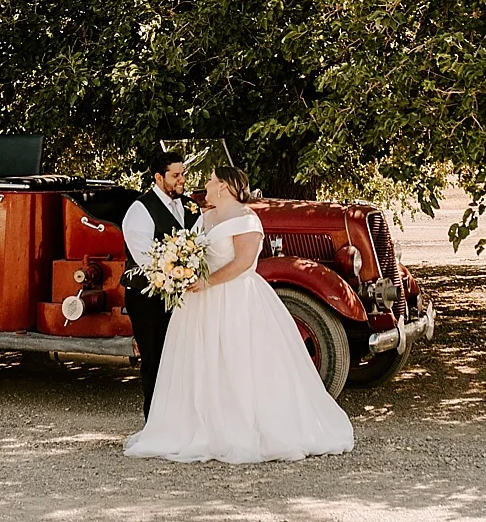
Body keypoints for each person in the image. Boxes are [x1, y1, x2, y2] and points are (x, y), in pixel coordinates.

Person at [124, 164, 355, 463]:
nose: (204, 184)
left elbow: (244, 263)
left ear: (223, 186)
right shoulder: (205, 216)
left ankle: (243, 426)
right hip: (200, 304)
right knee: (201, 363)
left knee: (238, 360)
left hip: (235, 298)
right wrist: (180, 271)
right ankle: (198, 425)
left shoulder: (246, 219)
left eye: (210, 180)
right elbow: (192, 251)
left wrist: (208, 281)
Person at [120, 148, 192, 417]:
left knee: (178, 358)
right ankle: (153, 420)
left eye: (183, 174)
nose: (182, 180)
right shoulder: (140, 210)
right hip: (147, 296)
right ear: (159, 178)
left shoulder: (187, 205)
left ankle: (177, 418)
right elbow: (146, 258)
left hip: (180, 295)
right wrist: (180, 273)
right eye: (176, 175)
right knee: (154, 358)